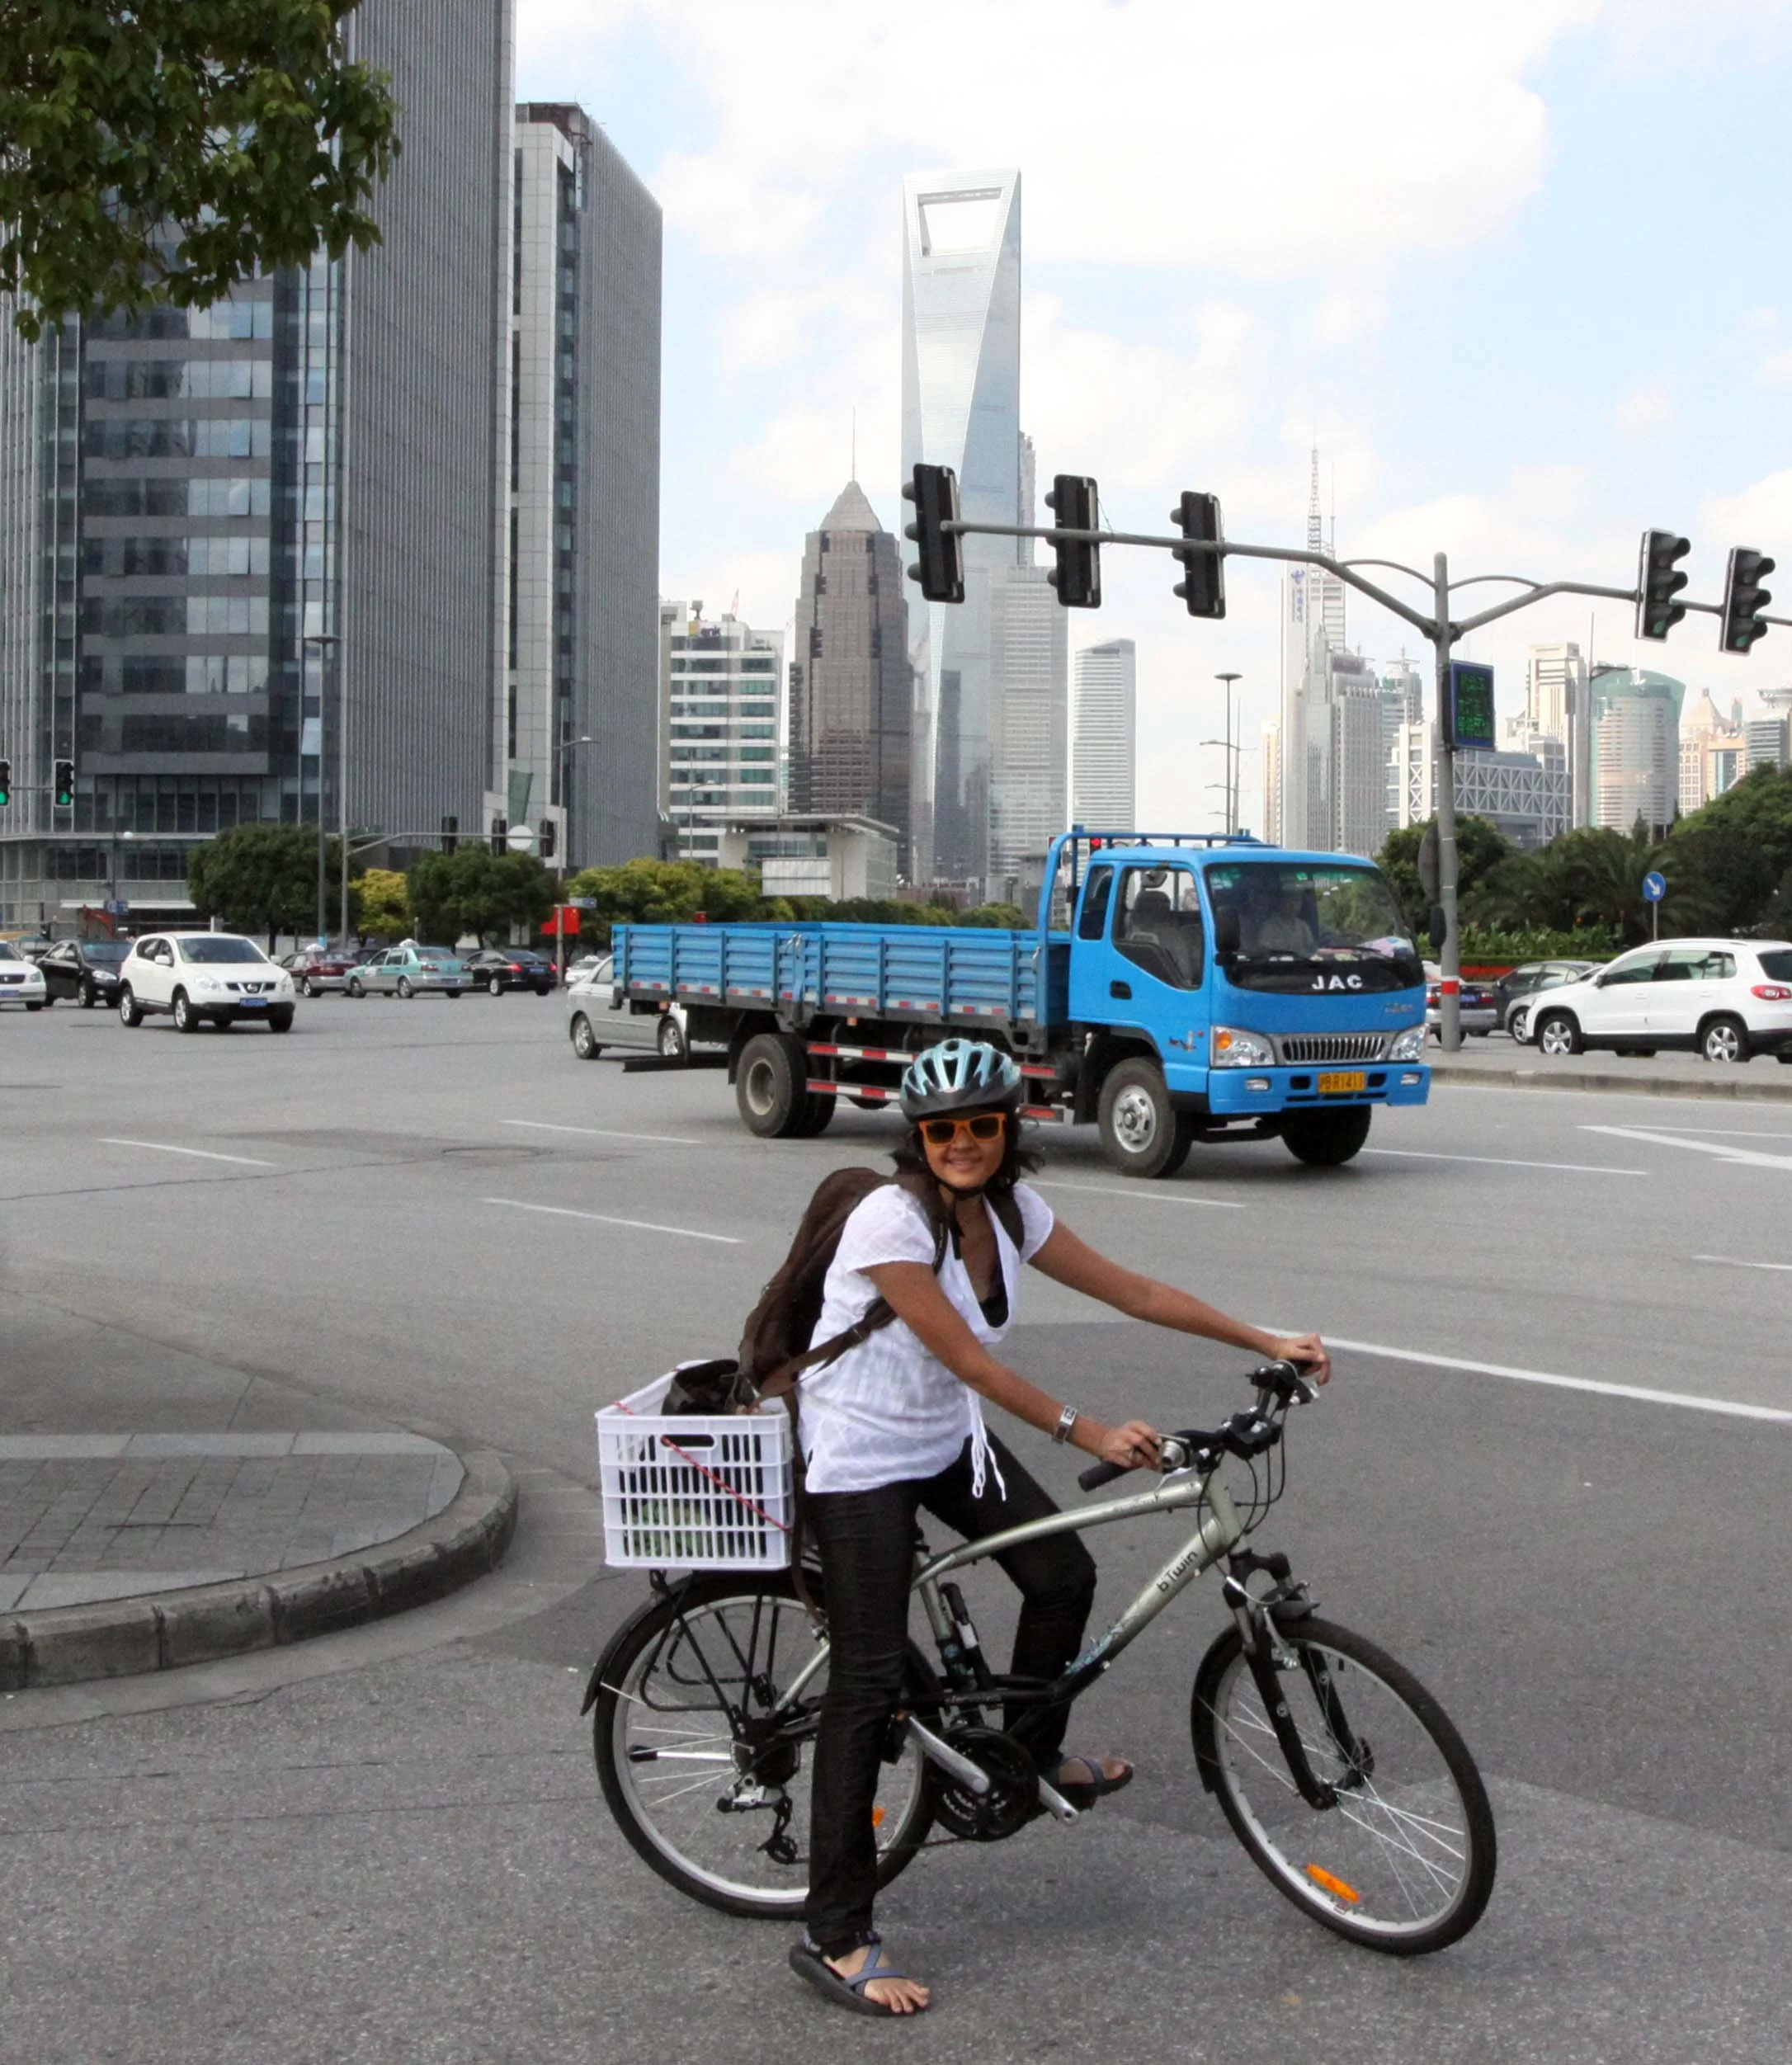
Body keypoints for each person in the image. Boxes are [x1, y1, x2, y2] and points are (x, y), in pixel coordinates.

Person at [788, 1039, 1330, 2018]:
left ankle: (1024, 1758)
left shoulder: (1012, 1209)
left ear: (1009, 1130)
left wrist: (1264, 1336)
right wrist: (1088, 1430)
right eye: (942, 1131)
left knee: (1063, 1575)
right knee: (867, 1684)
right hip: (862, 1455)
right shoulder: (888, 1220)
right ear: (918, 1139)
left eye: (980, 1127)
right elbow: (969, 1361)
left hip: (944, 1441)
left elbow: (1134, 1291)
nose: (962, 1144)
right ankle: (836, 1935)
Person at [1252, 879, 1317, 956]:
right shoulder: (1269, 927)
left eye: (1296, 900)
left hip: (1303, 965)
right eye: (1288, 900)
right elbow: (1264, 953)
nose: (1293, 905)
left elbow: (1312, 950)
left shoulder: (1303, 926)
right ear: (1280, 902)